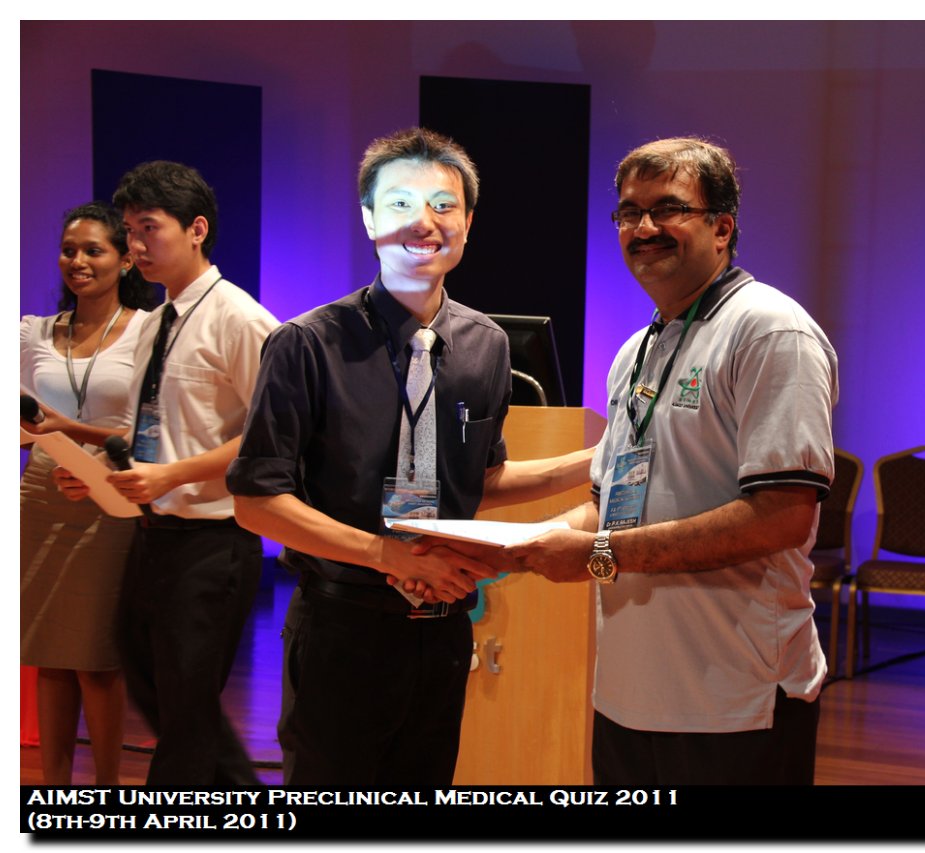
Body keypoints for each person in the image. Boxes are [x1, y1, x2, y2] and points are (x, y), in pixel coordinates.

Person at [227, 127, 592, 786]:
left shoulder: (486, 345)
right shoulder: (305, 344)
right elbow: (257, 502)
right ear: (370, 220)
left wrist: (593, 463)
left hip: (444, 630)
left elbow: (479, 480)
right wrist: (388, 555)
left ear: (468, 223)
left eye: (444, 205)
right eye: (400, 204)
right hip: (342, 625)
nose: (424, 221)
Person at [491, 137, 838, 785]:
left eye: (668, 208)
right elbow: (608, 505)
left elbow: (781, 518)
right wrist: (519, 548)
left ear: (722, 228)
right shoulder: (635, 352)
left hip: (735, 699)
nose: (644, 228)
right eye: (629, 212)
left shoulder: (769, 331)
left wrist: (596, 554)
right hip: (628, 696)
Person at [53, 161, 279, 785]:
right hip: (153, 533)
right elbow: (145, 431)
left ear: (196, 230)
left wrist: (174, 475)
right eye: (130, 231)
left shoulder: (240, 318)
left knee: (185, 711)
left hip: (215, 539)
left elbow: (271, 436)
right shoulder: (156, 320)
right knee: (153, 682)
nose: (136, 245)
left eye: (149, 228)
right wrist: (98, 471)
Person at [20, 202, 155, 784]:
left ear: (125, 260)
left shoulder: (148, 329)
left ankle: (106, 789)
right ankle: (52, 790)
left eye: (93, 250)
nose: (77, 260)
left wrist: (75, 434)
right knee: (48, 653)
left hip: (109, 493)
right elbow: (24, 418)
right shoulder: (32, 332)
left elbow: (150, 428)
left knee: (97, 657)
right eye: (68, 250)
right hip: (41, 492)